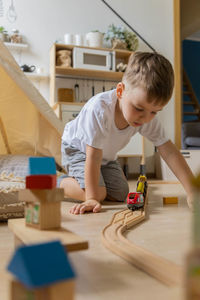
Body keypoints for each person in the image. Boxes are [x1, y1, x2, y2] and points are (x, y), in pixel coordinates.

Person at [59, 52, 194, 214]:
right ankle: (55, 182)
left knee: (121, 193)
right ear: (120, 91)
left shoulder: (146, 116)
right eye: (138, 108)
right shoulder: (100, 109)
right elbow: (93, 156)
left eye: (155, 112)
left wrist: (192, 191)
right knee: (99, 194)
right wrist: (92, 198)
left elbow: (170, 152)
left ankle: (92, 186)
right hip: (78, 150)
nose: (145, 118)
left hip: (105, 157)